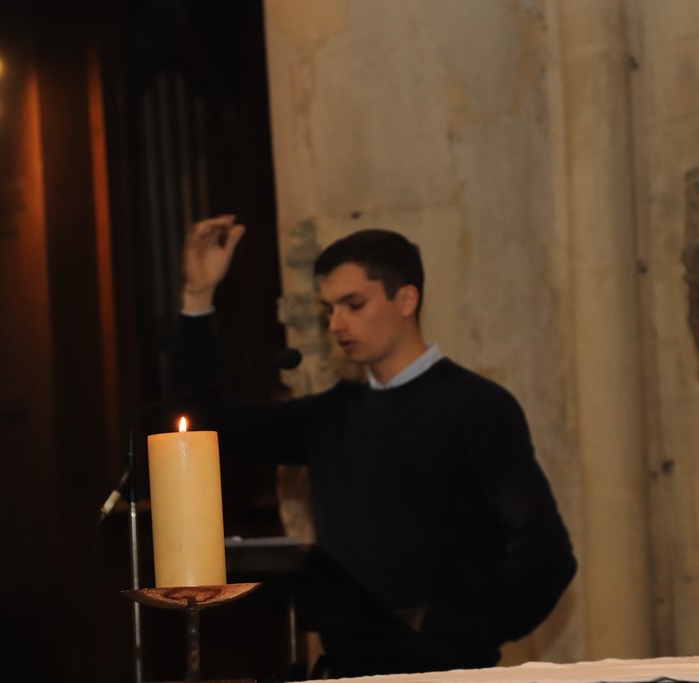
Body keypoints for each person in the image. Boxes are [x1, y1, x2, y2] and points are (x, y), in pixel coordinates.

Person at [173, 214, 577, 677]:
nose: (336, 324)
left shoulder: (476, 406)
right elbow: (204, 425)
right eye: (329, 309)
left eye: (353, 304)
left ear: (406, 299)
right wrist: (198, 297)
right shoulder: (331, 415)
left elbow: (546, 554)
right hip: (347, 670)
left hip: (448, 672)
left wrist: (468, 634)